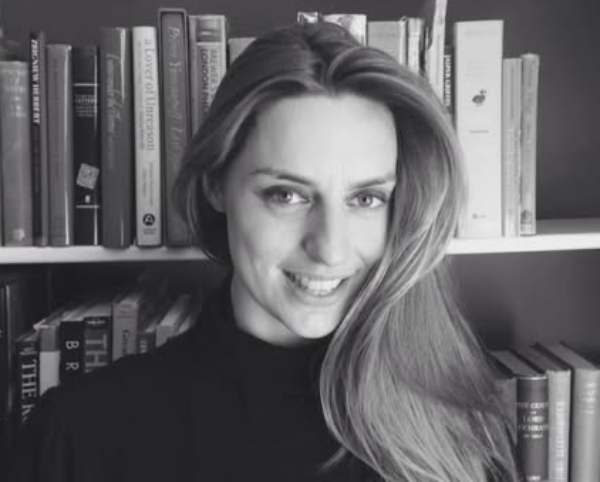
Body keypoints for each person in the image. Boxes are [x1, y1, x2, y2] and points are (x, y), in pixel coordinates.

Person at [10, 21, 519, 482]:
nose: (330, 248)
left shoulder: (465, 431)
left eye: (365, 199)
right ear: (215, 184)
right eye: (287, 195)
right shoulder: (80, 436)